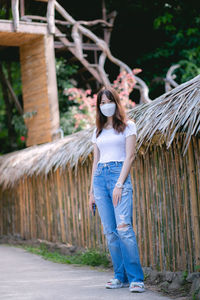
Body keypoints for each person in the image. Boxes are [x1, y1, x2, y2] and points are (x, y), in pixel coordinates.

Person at [89, 86, 145, 293]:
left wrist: (119, 184)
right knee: (110, 233)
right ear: (99, 107)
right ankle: (118, 276)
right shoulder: (98, 130)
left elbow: (130, 156)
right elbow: (95, 161)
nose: (106, 106)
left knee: (124, 228)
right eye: (102, 103)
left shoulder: (128, 126)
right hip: (100, 179)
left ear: (116, 102)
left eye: (108, 101)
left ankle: (136, 279)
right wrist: (91, 192)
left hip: (118, 176)